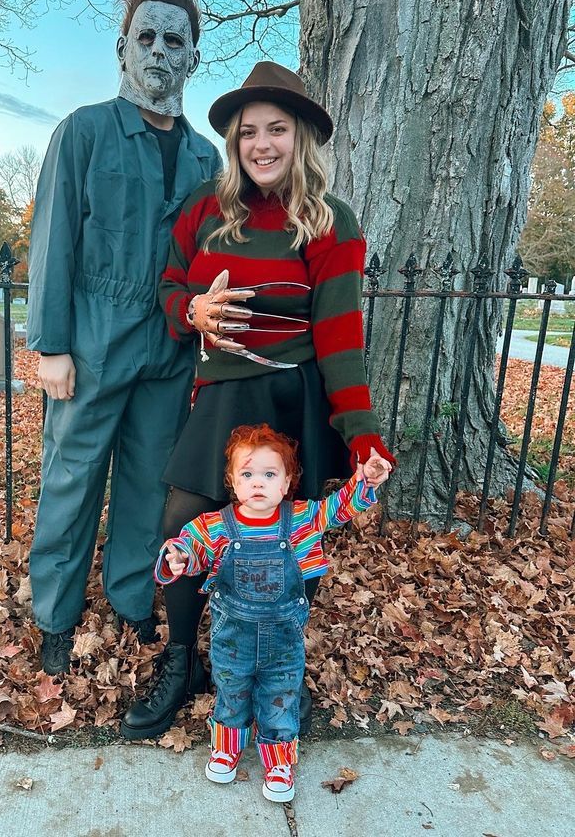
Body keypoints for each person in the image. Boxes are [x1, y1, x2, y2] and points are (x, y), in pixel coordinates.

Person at [121, 61, 394, 738]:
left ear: (300, 138)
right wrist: (195, 312)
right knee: (181, 527)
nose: (262, 144)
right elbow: (168, 289)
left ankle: (277, 667)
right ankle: (185, 661)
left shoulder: (331, 223)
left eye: (277, 129)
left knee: (290, 540)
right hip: (220, 394)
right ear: (234, 143)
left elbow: (339, 339)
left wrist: (361, 434)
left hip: (293, 397)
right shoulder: (204, 211)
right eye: (249, 132)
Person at [26, 0, 222, 675]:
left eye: (175, 39)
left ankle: (133, 598)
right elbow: (53, 242)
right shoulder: (82, 133)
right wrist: (50, 344)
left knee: (146, 482)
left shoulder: (208, 160)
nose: (159, 51)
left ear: (194, 56)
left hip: (169, 349)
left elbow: (211, 261)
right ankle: (54, 613)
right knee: (73, 479)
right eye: (147, 36)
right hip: (92, 338)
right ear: (121, 47)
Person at [156, 424, 390, 802]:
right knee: (231, 691)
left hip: (284, 639)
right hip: (233, 637)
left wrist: (364, 481)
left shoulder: (300, 520)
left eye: (269, 474)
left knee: (281, 694)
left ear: (286, 483)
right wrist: (180, 557)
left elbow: (338, 508)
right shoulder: (216, 525)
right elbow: (191, 546)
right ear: (232, 481)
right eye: (247, 474)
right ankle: (227, 746)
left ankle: (278, 760)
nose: (258, 483)